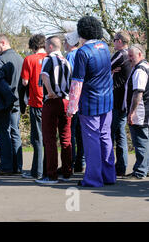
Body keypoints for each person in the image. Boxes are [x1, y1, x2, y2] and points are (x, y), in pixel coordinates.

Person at [67, 16, 116, 187]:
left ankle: (93, 178)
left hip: (90, 103)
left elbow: (77, 82)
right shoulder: (104, 47)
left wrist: (71, 107)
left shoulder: (83, 52)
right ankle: (109, 175)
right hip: (107, 100)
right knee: (105, 137)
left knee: (92, 140)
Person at [35, 36, 73, 185]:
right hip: (66, 100)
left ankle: (51, 175)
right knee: (66, 138)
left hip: (52, 100)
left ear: (50, 46)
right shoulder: (66, 61)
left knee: (49, 138)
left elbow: (44, 75)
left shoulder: (48, 59)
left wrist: (50, 91)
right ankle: (66, 172)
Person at [0, 34, 23, 176]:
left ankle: (6, 166)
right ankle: (17, 165)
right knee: (15, 132)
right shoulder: (20, 58)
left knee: (4, 133)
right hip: (17, 101)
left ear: (3, 43)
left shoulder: (1, 60)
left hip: (3, 102)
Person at [20, 34, 47, 180]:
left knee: (37, 137)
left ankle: (37, 170)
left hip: (36, 101)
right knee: (49, 137)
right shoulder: (51, 57)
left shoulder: (29, 59)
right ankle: (49, 168)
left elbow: (24, 81)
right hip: (50, 101)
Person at [124, 44, 149, 179]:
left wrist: (132, 112)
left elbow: (138, 93)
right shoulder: (145, 67)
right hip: (145, 110)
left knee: (141, 141)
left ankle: (140, 171)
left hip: (140, 111)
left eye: (131, 56)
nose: (129, 59)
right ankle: (145, 168)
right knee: (144, 140)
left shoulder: (139, 70)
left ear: (140, 54)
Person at [110, 31, 132, 177]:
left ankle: (116, 166)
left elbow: (103, 67)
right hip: (124, 101)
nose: (113, 42)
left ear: (120, 41)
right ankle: (121, 166)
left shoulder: (120, 54)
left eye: (114, 40)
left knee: (112, 134)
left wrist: (111, 70)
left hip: (117, 100)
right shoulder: (129, 56)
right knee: (120, 133)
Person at [64, 30, 85, 173]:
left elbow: (70, 78)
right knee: (80, 133)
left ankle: (70, 162)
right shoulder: (82, 53)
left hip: (73, 99)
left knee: (71, 131)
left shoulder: (71, 56)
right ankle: (80, 161)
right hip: (83, 99)